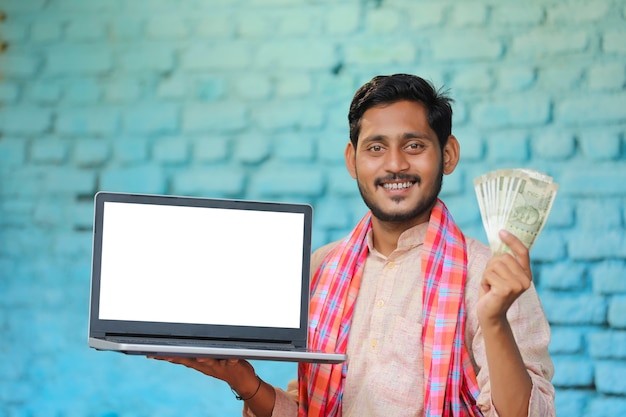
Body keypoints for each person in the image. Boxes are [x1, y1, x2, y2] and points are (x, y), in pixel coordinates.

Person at [153, 74, 556, 417]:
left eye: (414, 145)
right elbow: (312, 408)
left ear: (447, 154)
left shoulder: (493, 278)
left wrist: (494, 320)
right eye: (376, 148)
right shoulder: (323, 268)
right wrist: (242, 379)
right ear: (352, 160)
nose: (395, 164)